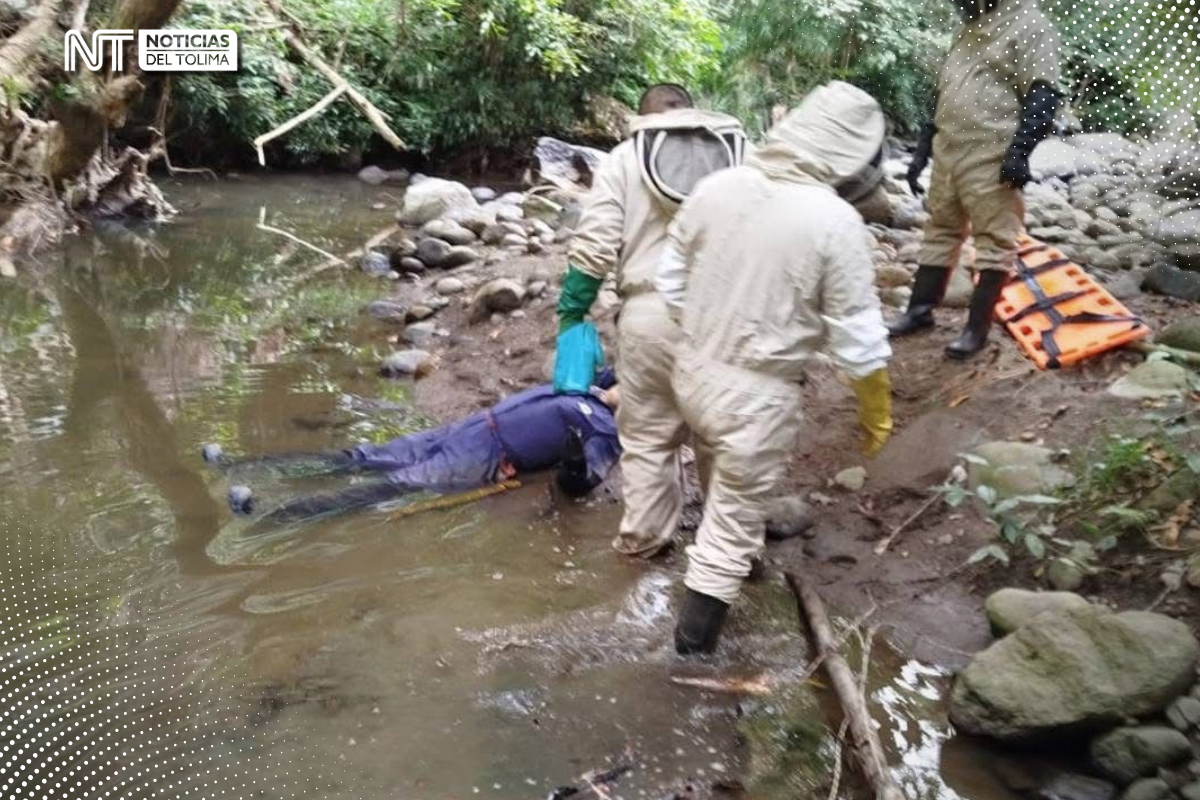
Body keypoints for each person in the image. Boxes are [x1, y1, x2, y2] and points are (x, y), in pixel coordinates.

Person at [655, 82, 894, 655]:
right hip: (757, 398)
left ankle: (728, 564)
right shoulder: (835, 220)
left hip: (691, 371)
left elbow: (670, 284)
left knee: (716, 464)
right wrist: (875, 410)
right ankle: (689, 656)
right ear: (850, 155)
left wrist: (716, 331)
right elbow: (858, 341)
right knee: (731, 527)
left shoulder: (719, 185)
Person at [556, 83, 748, 558]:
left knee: (647, 439)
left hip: (648, 317)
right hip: (723, 317)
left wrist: (572, 311)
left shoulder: (624, 157)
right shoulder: (742, 153)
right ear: (692, 110)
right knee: (722, 438)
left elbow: (595, 243)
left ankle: (644, 544)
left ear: (641, 119)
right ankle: (732, 553)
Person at [203, 372, 622, 520]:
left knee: (393, 486)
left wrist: (570, 459)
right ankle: (242, 465)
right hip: (467, 428)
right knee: (362, 456)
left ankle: (269, 511)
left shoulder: (605, 431)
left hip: (487, 455)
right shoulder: (587, 387)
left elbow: (581, 484)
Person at [889, 0, 1061, 359]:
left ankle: (976, 329)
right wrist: (923, 149)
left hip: (991, 149)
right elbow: (945, 92)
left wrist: (1020, 151)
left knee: (995, 240)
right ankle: (918, 311)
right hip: (949, 147)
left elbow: (1043, 93)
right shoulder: (969, 26)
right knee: (939, 229)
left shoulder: (1031, 24)